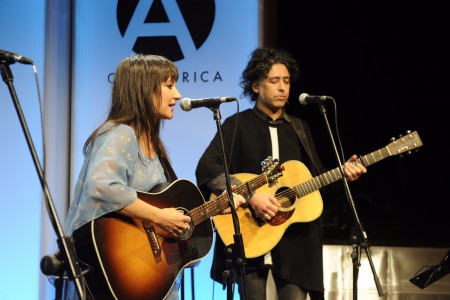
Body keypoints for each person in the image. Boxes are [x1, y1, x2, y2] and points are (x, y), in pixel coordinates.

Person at [62, 54, 245, 300]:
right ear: (143, 90)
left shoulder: (152, 143)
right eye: (169, 86)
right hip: (108, 268)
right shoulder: (121, 133)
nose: (178, 95)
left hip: (147, 274)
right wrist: (160, 216)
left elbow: (156, 208)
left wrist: (214, 207)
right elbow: (102, 186)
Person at [195, 47, 367, 300]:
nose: (282, 88)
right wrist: (252, 196)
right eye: (274, 81)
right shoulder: (237, 125)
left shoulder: (299, 128)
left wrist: (344, 175)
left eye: (286, 81)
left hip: (295, 243)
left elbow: (316, 185)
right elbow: (208, 169)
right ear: (255, 86)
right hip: (252, 236)